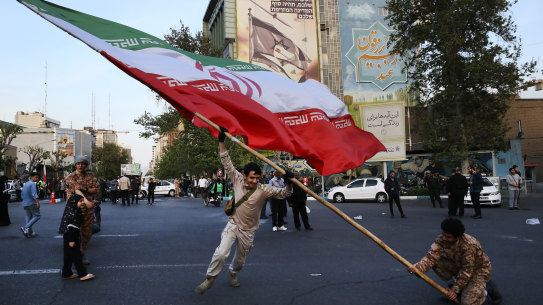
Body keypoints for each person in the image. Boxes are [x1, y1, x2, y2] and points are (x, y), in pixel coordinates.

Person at [194, 127, 293, 294]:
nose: (254, 181)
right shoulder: (237, 179)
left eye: (257, 178)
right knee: (221, 254)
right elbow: (226, 161)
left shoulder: (264, 189)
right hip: (233, 225)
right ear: (244, 175)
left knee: (240, 262)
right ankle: (209, 279)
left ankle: (232, 273)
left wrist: (289, 182)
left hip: (249, 231)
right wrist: (221, 141)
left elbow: (285, 194)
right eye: (251, 177)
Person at [407, 218, 502, 305]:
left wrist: (455, 290)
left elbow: (466, 271)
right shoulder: (441, 239)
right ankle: (464, 288)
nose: (444, 238)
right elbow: (431, 257)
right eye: (443, 234)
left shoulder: (469, 246)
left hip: (478, 271)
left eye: (448, 237)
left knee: (467, 302)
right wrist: (417, 268)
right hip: (460, 266)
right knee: (436, 260)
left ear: (457, 237)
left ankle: (486, 291)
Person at [65, 155, 99, 265]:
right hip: (74, 209)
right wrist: (87, 197)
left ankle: (81, 252)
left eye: (83, 163)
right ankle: (77, 256)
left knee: (87, 233)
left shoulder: (90, 176)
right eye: (78, 163)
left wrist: (85, 189)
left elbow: (96, 190)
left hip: (88, 210)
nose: (80, 165)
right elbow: (76, 189)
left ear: (85, 165)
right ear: (75, 165)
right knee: (75, 233)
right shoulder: (70, 177)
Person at [59, 194, 95, 281]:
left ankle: (66, 273)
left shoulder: (70, 210)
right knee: (77, 256)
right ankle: (83, 274)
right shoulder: (73, 214)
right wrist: (72, 240)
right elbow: (71, 228)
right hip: (72, 237)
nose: (82, 202)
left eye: (83, 200)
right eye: (80, 201)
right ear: (74, 202)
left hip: (67, 236)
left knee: (68, 256)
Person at [20, 172, 41, 237]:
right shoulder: (32, 184)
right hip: (31, 203)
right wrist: (37, 202)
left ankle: (29, 233)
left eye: (37, 177)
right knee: (37, 216)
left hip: (25, 203)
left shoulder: (26, 183)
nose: (37, 179)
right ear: (31, 177)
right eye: (36, 177)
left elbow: (22, 194)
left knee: (28, 218)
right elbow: (34, 194)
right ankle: (25, 227)